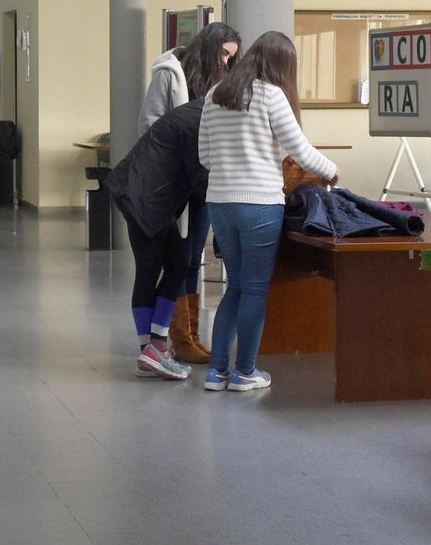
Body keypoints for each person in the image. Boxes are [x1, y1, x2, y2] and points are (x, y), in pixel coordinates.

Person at [198, 32, 337, 393]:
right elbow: (300, 151)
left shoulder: (215, 94)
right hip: (259, 203)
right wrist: (332, 171)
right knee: (255, 289)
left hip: (220, 203)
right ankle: (245, 372)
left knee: (235, 287)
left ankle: (216, 372)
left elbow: (205, 157)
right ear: (280, 65)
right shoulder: (271, 96)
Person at [140, 23, 243, 363]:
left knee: (195, 255)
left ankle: (190, 337)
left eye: (231, 57)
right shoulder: (170, 74)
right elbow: (150, 123)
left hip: (205, 180)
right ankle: (174, 336)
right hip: (175, 180)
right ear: (209, 47)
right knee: (178, 259)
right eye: (224, 54)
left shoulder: (221, 83)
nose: (226, 62)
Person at [108, 99, 210, 381]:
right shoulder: (198, 124)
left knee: (172, 265)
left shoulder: (197, 113)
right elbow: (200, 178)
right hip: (144, 197)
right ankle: (152, 351)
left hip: (142, 193)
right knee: (161, 267)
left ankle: (153, 350)